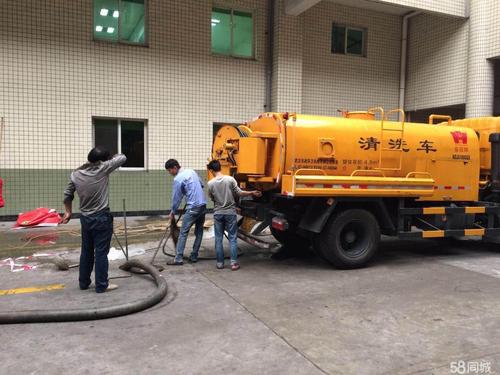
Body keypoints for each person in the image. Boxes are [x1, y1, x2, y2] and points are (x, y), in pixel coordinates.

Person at [61, 147, 126, 293]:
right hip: (101, 218)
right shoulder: (102, 168)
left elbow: (67, 194)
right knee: (101, 253)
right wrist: (111, 158)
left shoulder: (76, 174)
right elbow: (122, 157)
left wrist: (68, 212)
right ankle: (102, 285)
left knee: (86, 251)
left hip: (85, 219)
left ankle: (84, 283)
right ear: (100, 161)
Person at [207, 160, 261, 270]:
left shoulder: (210, 183)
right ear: (220, 167)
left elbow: (211, 198)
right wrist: (252, 192)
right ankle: (233, 263)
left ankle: (220, 263)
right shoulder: (230, 179)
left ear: (211, 170)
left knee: (218, 238)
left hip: (218, 213)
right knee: (232, 238)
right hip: (230, 213)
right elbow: (239, 193)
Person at [165, 159, 207, 265]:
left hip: (193, 207)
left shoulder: (178, 179)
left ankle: (178, 258)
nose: (170, 173)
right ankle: (194, 256)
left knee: (183, 233)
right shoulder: (191, 171)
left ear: (175, 168)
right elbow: (201, 185)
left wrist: (172, 212)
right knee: (199, 231)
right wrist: (189, 192)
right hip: (203, 205)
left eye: (170, 170)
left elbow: (176, 198)